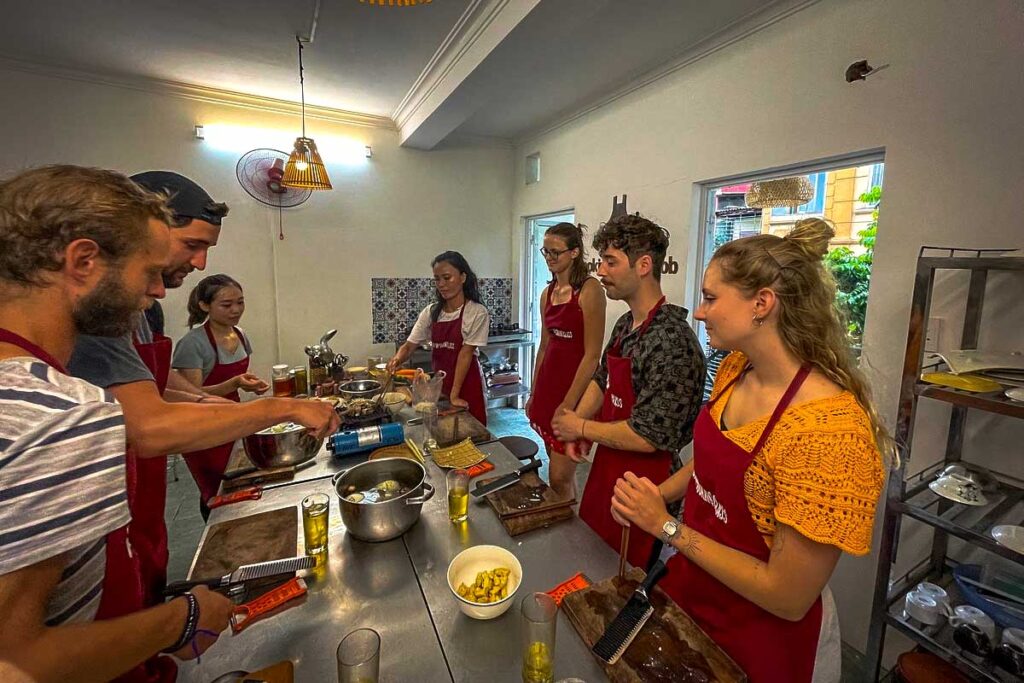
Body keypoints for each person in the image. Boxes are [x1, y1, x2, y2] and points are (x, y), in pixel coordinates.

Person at [67, 170, 338, 683]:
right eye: (192, 246)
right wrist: (278, 410)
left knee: (139, 606)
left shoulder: (142, 312)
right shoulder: (95, 316)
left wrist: (226, 409)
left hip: (132, 503)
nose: (199, 264)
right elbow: (147, 424)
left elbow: (155, 390)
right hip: (106, 507)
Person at [611, 218, 888, 683]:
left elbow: (787, 594)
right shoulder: (736, 369)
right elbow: (713, 466)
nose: (699, 312)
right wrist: (652, 498)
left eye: (711, 298)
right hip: (695, 594)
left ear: (762, 304)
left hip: (764, 637)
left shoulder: (829, 432)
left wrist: (666, 525)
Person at [0, 165, 233, 682]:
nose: (158, 290)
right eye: (146, 270)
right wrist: (184, 617)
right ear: (84, 261)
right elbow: (17, 660)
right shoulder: (59, 416)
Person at [551, 214, 705, 569]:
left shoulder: (671, 341)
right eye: (601, 260)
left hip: (648, 485)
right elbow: (602, 379)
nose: (600, 271)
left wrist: (582, 429)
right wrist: (579, 418)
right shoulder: (625, 324)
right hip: (608, 466)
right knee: (588, 559)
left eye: (610, 261)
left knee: (621, 581)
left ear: (644, 265)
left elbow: (649, 437)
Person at [173, 274, 270, 518]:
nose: (236, 310)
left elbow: (239, 376)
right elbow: (188, 396)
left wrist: (248, 383)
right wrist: (233, 383)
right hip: (202, 428)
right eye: (226, 305)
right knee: (216, 489)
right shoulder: (192, 344)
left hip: (232, 419)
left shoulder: (240, 335)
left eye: (240, 302)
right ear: (204, 306)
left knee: (239, 482)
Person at [525, 223, 605, 499]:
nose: (548, 258)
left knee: (559, 476)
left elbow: (592, 355)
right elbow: (545, 346)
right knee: (556, 470)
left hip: (575, 392)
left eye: (555, 252)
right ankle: (569, 522)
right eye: (545, 252)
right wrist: (534, 392)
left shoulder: (590, 290)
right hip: (549, 387)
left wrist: (569, 404)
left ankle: (568, 531)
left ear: (574, 252)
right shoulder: (547, 293)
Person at [387, 251, 490, 425]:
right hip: (439, 387)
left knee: (472, 435)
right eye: (437, 279)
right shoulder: (431, 312)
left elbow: (465, 355)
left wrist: (455, 395)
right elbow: (410, 345)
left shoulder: (476, 312)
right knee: (442, 432)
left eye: (447, 278)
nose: (441, 284)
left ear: (463, 277)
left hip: (466, 386)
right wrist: (397, 359)